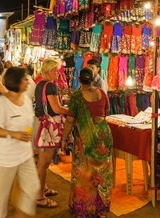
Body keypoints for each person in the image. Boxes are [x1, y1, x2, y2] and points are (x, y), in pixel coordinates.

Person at [0, 67, 40, 218]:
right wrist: (12, 134)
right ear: (15, 82)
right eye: (24, 79)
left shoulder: (27, 101)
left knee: (32, 187)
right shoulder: (2, 103)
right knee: (1, 200)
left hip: (24, 155)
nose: (28, 82)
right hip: (5, 158)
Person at [61, 68, 113, 217]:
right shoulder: (102, 93)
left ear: (79, 79)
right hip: (103, 136)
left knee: (84, 174)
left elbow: (70, 121)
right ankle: (101, 210)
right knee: (102, 173)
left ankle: (85, 210)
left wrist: (64, 139)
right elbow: (106, 112)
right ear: (92, 78)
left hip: (85, 138)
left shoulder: (77, 97)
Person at [34, 57, 69, 208]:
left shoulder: (39, 84)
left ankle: (43, 188)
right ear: (49, 71)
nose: (58, 73)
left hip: (41, 124)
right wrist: (70, 110)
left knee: (42, 162)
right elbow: (56, 109)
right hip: (49, 128)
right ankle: (39, 196)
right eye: (56, 70)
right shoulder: (51, 86)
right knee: (44, 162)